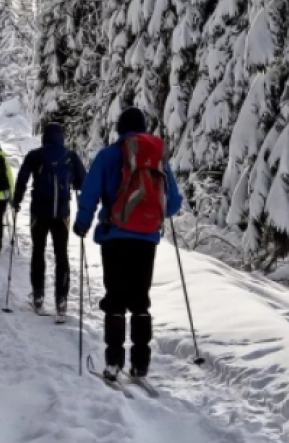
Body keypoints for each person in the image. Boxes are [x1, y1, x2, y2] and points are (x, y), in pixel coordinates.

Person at [73, 107, 183, 381]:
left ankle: (113, 362)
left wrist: (83, 222)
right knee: (140, 299)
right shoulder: (157, 159)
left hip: (115, 237)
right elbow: (174, 204)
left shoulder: (109, 155)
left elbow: (90, 192)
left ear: (120, 129)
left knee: (116, 299)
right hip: (147, 239)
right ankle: (141, 363)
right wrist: (150, 215)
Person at [12, 123, 86, 317]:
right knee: (61, 254)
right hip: (62, 213)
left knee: (38, 251)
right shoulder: (71, 156)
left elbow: (22, 178)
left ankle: (38, 295)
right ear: (61, 137)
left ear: (45, 136)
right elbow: (83, 182)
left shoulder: (35, 155)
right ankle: (61, 299)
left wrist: (16, 200)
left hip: (39, 212)